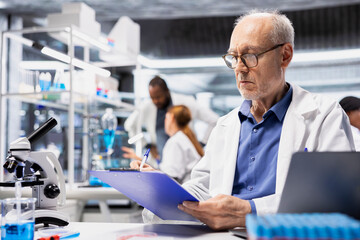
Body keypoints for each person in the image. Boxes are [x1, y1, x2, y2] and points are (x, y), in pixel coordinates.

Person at [131, 10, 355, 230]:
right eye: (234, 57)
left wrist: (251, 211)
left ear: (285, 55)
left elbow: (337, 198)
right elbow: (203, 189)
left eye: (249, 56)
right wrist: (164, 191)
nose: (239, 68)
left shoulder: (323, 115)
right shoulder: (225, 125)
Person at [124, 76, 218, 160]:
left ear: (167, 91)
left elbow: (214, 120)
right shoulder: (147, 106)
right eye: (152, 98)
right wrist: (147, 145)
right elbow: (129, 125)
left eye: (158, 97)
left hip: (184, 161)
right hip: (161, 161)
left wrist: (202, 144)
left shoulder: (187, 102)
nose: (155, 101)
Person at [124, 105, 203, 183]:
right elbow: (168, 172)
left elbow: (171, 178)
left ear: (171, 117)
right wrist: (142, 161)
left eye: (166, 118)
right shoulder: (183, 138)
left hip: (185, 191)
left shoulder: (175, 141)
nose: (164, 122)